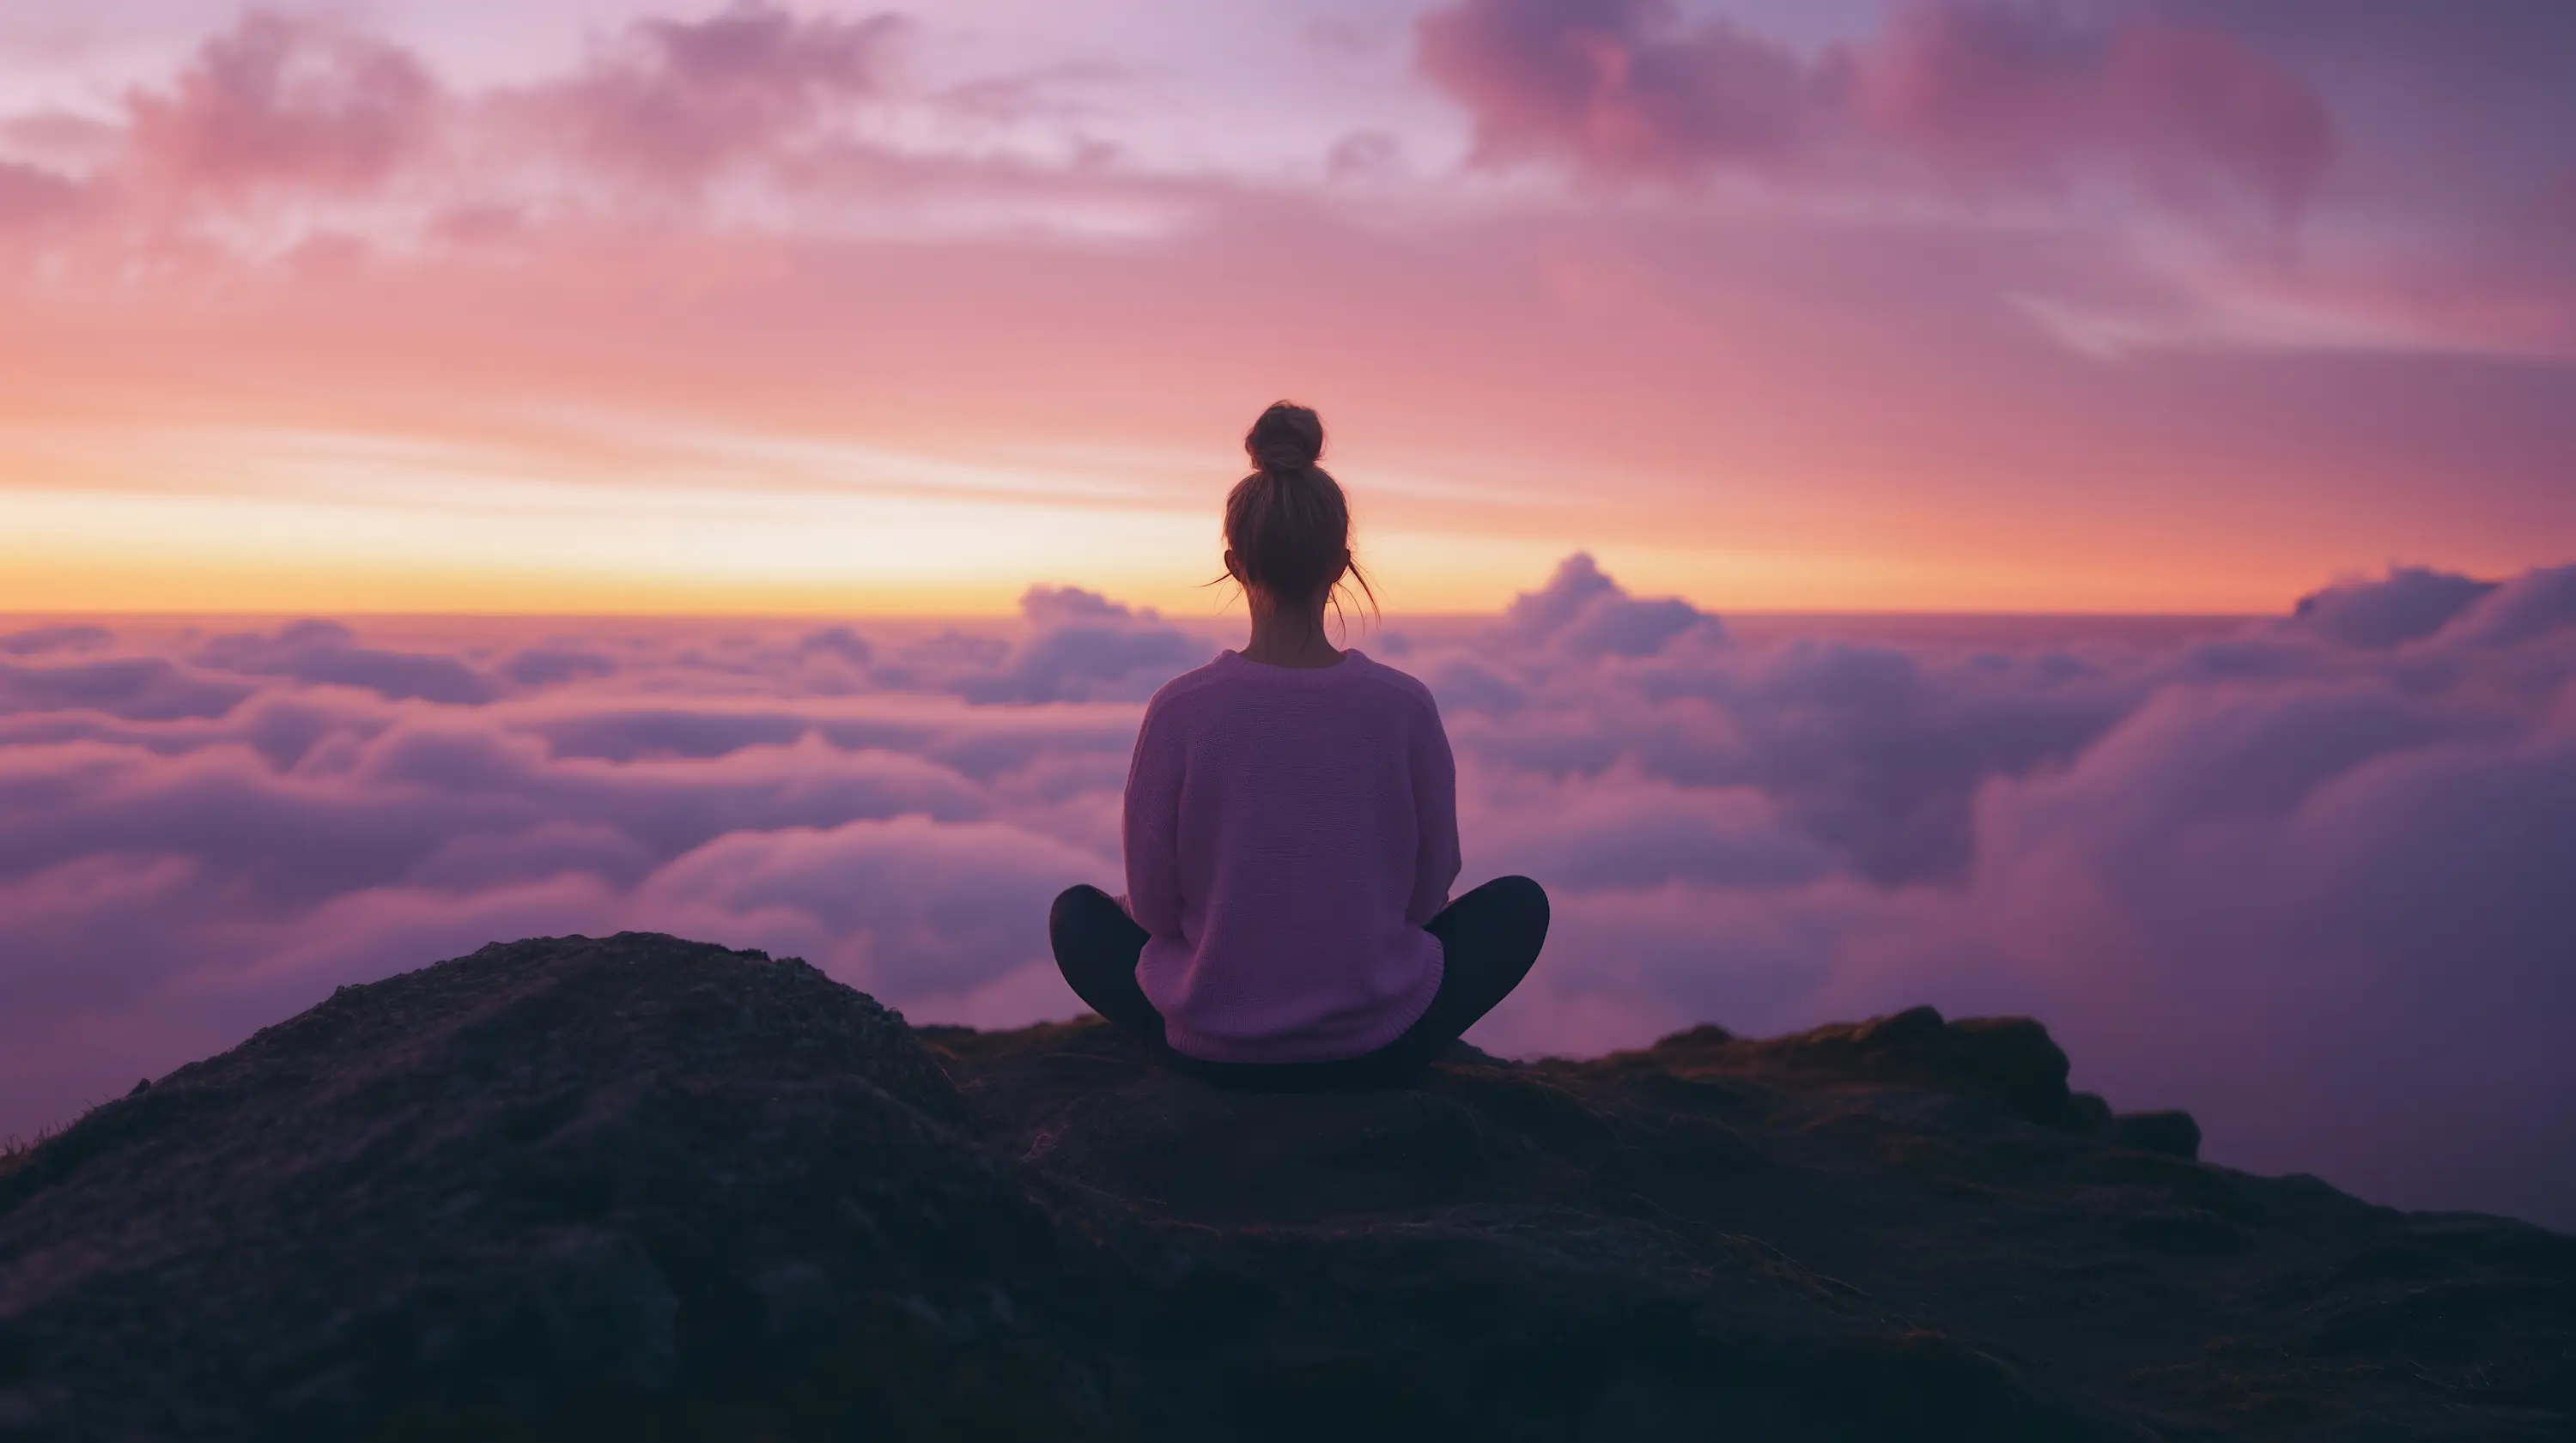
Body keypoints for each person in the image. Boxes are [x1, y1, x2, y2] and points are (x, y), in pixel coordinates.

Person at [1049, 401, 1548, 1089]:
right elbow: (1427, 895)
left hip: (1211, 1052)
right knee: (1520, 905)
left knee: (1077, 916)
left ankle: (1214, 1052)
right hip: (1373, 1048)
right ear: (1341, 565)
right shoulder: (1405, 705)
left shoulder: (1179, 710)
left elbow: (1156, 911)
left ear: (1233, 564)